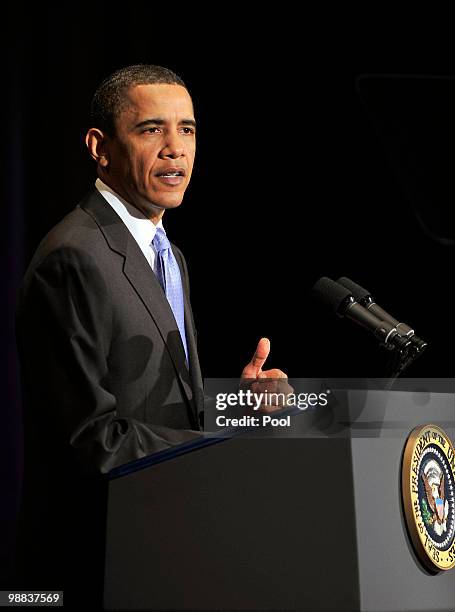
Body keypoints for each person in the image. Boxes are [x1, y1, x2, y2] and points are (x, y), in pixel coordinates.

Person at [14, 64, 288, 607]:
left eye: (187, 130)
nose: (175, 149)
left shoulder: (169, 256)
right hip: (92, 565)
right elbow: (91, 441)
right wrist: (227, 449)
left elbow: (168, 413)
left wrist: (239, 409)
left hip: (164, 551)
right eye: (150, 130)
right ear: (100, 147)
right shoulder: (75, 257)